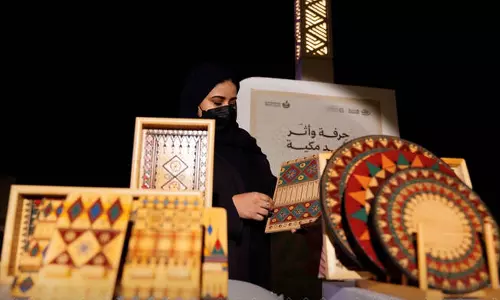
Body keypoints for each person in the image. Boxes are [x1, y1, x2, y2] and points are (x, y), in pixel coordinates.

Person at [178, 63, 276, 290]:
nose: (227, 110)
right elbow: (166, 210)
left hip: (255, 271)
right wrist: (231, 208)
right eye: (217, 102)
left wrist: (293, 208)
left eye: (232, 103)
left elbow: (270, 189)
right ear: (195, 104)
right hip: (203, 271)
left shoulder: (245, 144)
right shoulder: (178, 144)